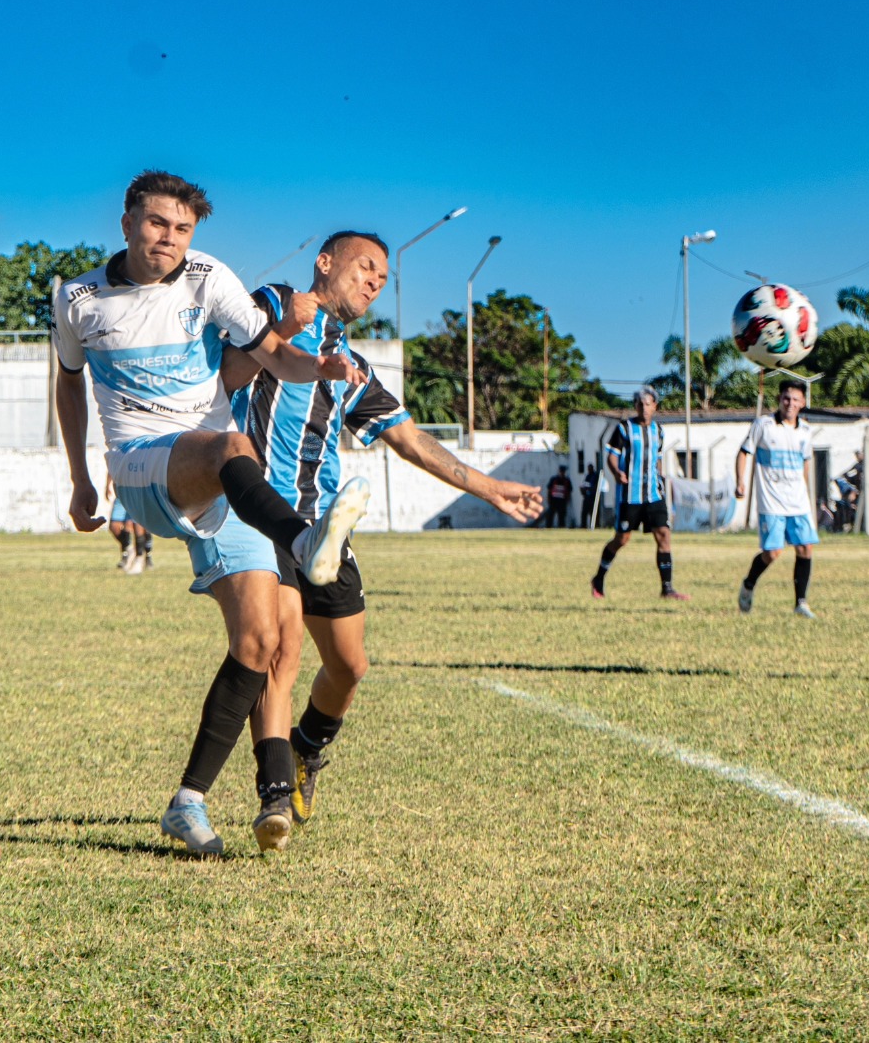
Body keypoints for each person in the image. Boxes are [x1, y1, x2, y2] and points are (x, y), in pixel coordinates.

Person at [53, 170, 370, 856]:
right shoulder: (77, 298)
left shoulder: (209, 278)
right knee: (233, 443)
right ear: (127, 223)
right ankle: (303, 539)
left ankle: (190, 801)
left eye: (182, 228)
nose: (169, 238)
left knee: (260, 642)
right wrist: (81, 478)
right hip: (143, 466)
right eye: (156, 223)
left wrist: (319, 369)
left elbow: (271, 353)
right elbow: (69, 385)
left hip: (225, 481)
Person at [224, 233, 543, 841]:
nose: (374, 281)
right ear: (324, 262)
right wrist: (284, 329)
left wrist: (491, 489)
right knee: (282, 651)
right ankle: (274, 797)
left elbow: (411, 439)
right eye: (365, 266)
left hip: (324, 524)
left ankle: (307, 749)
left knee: (349, 667)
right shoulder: (270, 305)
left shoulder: (354, 368)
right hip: (261, 516)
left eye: (382, 277)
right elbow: (225, 375)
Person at [591, 387, 688, 601]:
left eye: (648, 404)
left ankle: (667, 589)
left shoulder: (658, 431)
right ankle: (598, 578)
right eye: (640, 404)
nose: (644, 408)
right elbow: (612, 455)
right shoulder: (624, 428)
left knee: (663, 535)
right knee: (622, 539)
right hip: (630, 495)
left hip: (653, 493)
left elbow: (658, 458)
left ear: (655, 406)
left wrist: (661, 477)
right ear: (635, 406)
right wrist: (617, 472)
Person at [735, 378, 817, 618]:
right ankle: (748, 584)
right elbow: (744, 452)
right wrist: (740, 481)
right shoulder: (764, 425)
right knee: (772, 553)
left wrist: (805, 490)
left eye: (795, 399)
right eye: (786, 398)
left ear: (803, 403)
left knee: (805, 548)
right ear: (779, 399)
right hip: (771, 502)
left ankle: (801, 603)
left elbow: (806, 462)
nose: (790, 403)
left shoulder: (805, 431)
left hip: (797, 502)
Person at [105, 475, 153, 574]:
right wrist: (107, 485)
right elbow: (111, 469)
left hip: (138, 493)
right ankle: (129, 549)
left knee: (137, 524)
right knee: (114, 526)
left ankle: (139, 558)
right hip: (121, 494)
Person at [580, 465, 600, 529]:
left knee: (593, 512)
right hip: (586, 497)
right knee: (584, 512)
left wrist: (590, 488)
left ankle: (594, 526)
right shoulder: (587, 476)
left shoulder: (595, 476)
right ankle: (583, 526)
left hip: (593, 497)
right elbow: (584, 484)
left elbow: (596, 486)